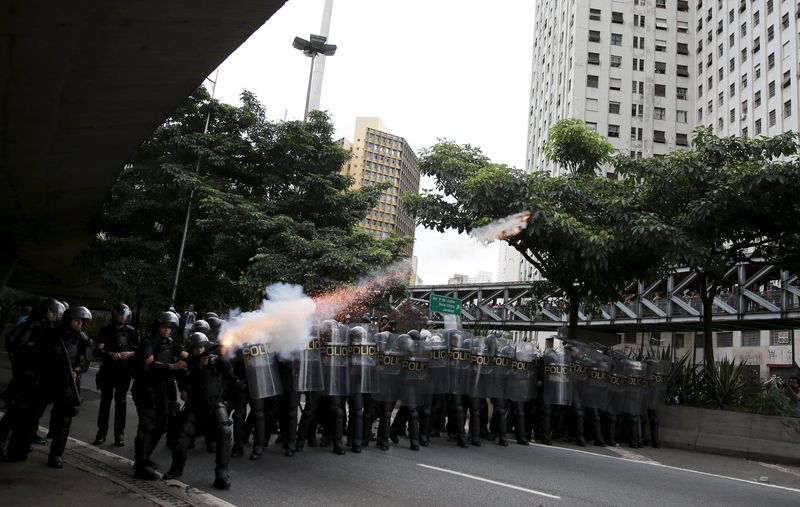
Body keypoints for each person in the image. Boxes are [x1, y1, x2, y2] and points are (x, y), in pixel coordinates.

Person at [164, 332, 237, 490]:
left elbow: (231, 376)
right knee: (181, 436)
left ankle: (222, 473)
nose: (199, 350)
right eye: (196, 348)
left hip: (216, 403)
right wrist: (200, 366)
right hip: (196, 405)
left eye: (202, 347)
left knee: (225, 431)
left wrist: (220, 358)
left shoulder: (217, 359)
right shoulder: (191, 361)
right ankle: (177, 467)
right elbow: (188, 378)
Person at [131, 311, 187, 480]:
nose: (167, 331)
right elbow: (148, 364)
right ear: (157, 327)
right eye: (164, 327)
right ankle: (141, 466)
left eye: (170, 328)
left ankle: (143, 458)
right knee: (147, 425)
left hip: (162, 391)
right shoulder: (148, 342)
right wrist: (172, 366)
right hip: (145, 389)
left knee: (162, 425)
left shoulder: (172, 343)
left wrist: (203, 352)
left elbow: (186, 355)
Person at [44, 306, 92, 468]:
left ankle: (56, 454)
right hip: (48, 378)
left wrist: (77, 370)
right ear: (68, 320)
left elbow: (84, 362)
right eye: (77, 320)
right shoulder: (53, 334)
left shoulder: (83, 340)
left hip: (69, 383)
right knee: (31, 411)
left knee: (64, 419)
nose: (80, 324)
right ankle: (20, 446)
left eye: (83, 321)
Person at [93, 303, 139, 447]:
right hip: (108, 370)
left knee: (121, 403)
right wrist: (109, 353)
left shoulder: (132, 331)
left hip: (124, 371)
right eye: (120, 314)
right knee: (105, 402)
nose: (122, 317)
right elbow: (98, 350)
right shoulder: (106, 330)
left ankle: (119, 434)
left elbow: (140, 350)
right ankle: (101, 433)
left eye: (124, 314)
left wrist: (129, 353)